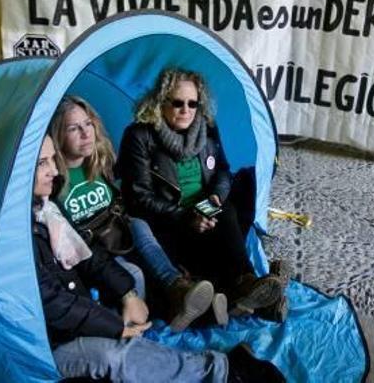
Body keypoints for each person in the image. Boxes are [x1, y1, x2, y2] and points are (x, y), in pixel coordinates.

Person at [32, 135, 285, 382]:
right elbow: (53, 302)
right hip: (49, 341)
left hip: (84, 296)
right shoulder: (18, 230)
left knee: (219, 217)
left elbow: (89, 255)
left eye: (53, 159)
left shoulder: (48, 209)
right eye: (42, 162)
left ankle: (240, 288)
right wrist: (113, 327)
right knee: (114, 357)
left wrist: (128, 295)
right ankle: (224, 369)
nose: (54, 169)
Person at [118, 69, 286, 319]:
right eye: (177, 103)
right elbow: (139, 198)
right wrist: (187, 216)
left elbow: (222, 172)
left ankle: (246, 283)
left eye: (192, 103)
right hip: (169, 221)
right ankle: (248, 294)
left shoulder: (207, 127)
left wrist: (215, 197)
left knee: (237, 193)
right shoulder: (139, 136)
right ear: (160, 102)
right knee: (223, 224)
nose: (186, 110)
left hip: (206, 212)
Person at [49, 95, 221, 332]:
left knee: (141, 226)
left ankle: (177, 290)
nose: (86, 133)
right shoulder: (52, 177)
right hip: (90, 246)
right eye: (73, 128)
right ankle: (145, 327)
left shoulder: (100, 159)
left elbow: (127, 197)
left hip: (115, 229)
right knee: (134, 273)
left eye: (88, 124)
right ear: (58, 135)